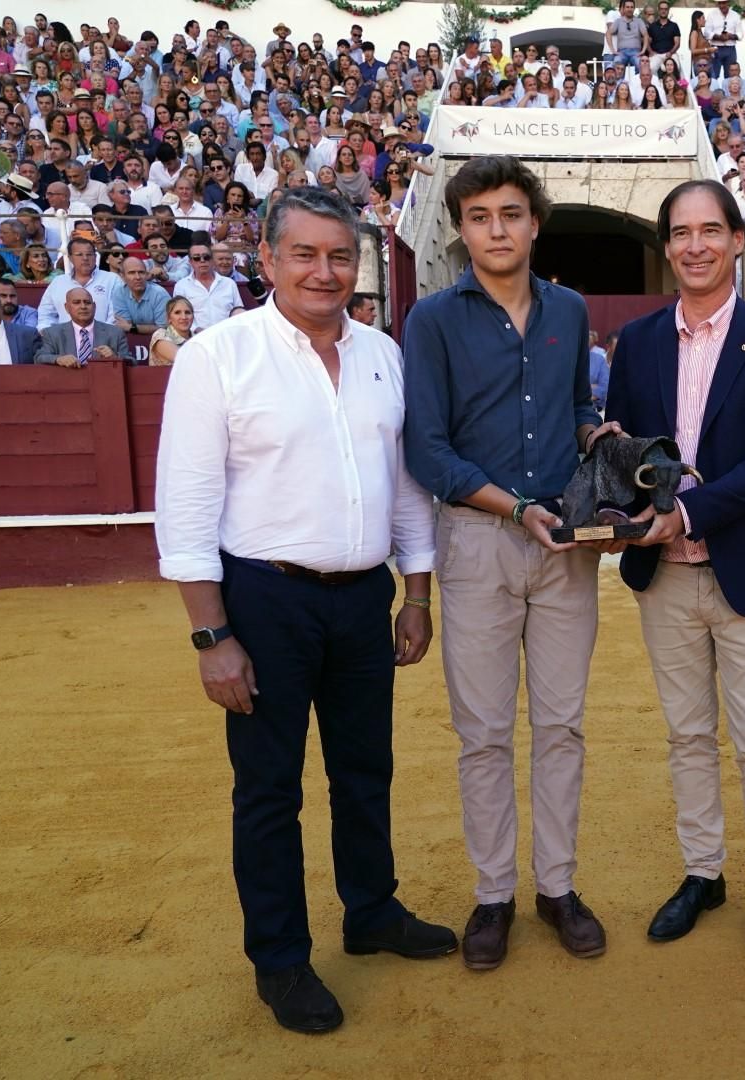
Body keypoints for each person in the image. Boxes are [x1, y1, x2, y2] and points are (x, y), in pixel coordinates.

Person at [155, 186, 454, 1035]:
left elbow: (403, 485)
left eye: (339, 256)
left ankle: (371, 913)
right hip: (265, 599)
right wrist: (213, 635)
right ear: (267, 259)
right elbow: (185, 504)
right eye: (305, 254)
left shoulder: (382, 355)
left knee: (366, 772)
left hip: (362, 597)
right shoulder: (218, 356)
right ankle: (281, 959)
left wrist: (415, 591)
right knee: (268, 791)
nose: (325, 272)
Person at [401, 156, 606, 972]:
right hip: (481, 541)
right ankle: (495, 894)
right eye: (480, 215)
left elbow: (577, 409)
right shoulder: (432, 320)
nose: (497, 229)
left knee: (561, 725)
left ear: (534, 223)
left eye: (512, 213)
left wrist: (600, 437)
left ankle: (556, 885)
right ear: (459, 227)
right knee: (483, 733)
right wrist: (516, 508)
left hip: (566, 545)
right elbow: (427, 446)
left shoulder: (571, 310)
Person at [596, 180, 745, 961]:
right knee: (687, 735)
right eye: (680, 232)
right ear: (666, 245)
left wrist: (686, 513)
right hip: (665, 577)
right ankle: (703, 872)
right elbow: (625, 455)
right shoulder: (642, 342)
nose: (694, 245)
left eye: (709, 230)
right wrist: (614, 495)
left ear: (737, 240)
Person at [34, 287, 135, 365]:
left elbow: (132, 362)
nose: (83, 307)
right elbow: (39, 357)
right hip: (67, 386)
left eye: (87, 302)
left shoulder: (115, 333)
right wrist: (58, 359)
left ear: (94, 307)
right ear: (67, 308)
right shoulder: (53, 333)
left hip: (103, 385)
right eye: (76, 303)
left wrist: (115, 358)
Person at [175, 242, 246, 329]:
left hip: (225, 335)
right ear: (191, 262)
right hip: (194, 337)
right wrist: (195, 329)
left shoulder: (229, 283)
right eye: (197, 258)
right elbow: (178, 316)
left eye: (206, 257)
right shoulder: (181, 286)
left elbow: (238, 312)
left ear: (212, 260)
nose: (202, 260)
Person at [110, 259, 169, 336]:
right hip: (131, 340)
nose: (137, 277)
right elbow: (123, 325)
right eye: (131, 273)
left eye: (141, 272)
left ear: (146, 274)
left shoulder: (160, 294)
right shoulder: (119, 292)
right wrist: (129, 327)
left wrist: (131, 327)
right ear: (122, 276)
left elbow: (163, 329)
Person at [148, 296, 195, 367]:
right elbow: (185, 359)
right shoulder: (161, 335)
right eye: (177, 312)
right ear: (169, 318)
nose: (184, 317)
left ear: (193, 316)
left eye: (187, 312)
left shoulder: (197, 337)